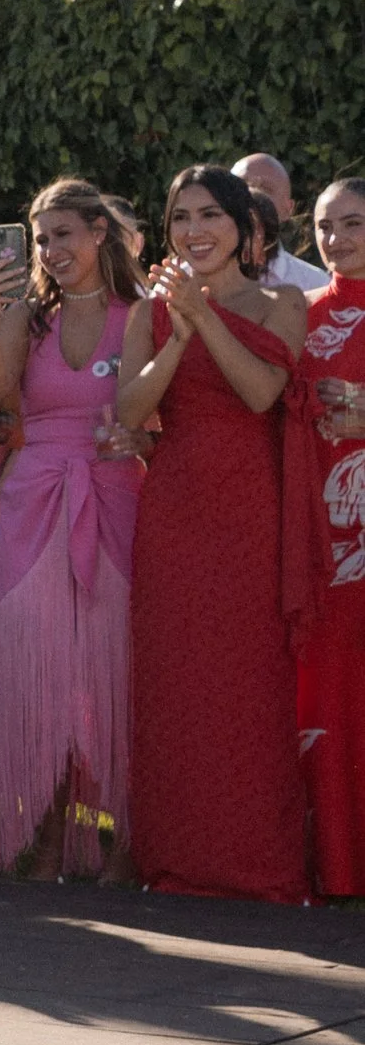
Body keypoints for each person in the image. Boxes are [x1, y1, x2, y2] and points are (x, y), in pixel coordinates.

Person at [117, 163, 311, 904]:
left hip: (250, 516)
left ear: (243, 228)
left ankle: (256, 863)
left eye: (209, 217)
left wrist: (203, 317)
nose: (194, 231)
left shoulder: (282, 301)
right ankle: (177, 858)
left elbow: (262, 392)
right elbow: (131, 414)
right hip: (173, 516)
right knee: (178, 686)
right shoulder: (148, 312)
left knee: (248, 689)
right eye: (180, 220)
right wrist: (176, 330)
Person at [0, 181, 145, 878]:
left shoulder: (138, 315)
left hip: (113, 500)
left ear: (101, 233)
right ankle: (40, 833)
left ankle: (110, 834)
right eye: (41, 239)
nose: (50, 251)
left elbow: (144, 412)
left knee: (106, 676)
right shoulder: (27, 314)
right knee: (36, 673)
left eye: (64, 235)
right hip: (32, 503)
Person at [297, 176, 365, 895]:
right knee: (328, 694)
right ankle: (336, 867)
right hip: (318, 532)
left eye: (352, 224)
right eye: (325, 225)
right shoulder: (304, 314)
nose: (336, 238)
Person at [236, 151, 330, 297]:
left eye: (265, 189)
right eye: (241, 186)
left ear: (288, 209)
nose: (251, 195)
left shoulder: (314, 284)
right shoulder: (191, 278)